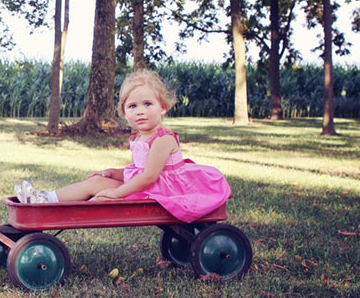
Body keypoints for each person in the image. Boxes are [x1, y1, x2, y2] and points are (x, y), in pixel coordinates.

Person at [15, 69, 231, 223]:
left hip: (164, 192)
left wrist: (116, 193)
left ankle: (53, 210)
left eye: (148, 104)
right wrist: (114, 173)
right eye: (133, 106)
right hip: (148, 186)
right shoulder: (138, 137)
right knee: (97, 180)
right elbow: (137, 169)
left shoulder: (163, 139)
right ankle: (46, 199)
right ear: (124, 112)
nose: (140, 111)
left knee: (101, 192)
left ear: (163, 107)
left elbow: (149, 177)